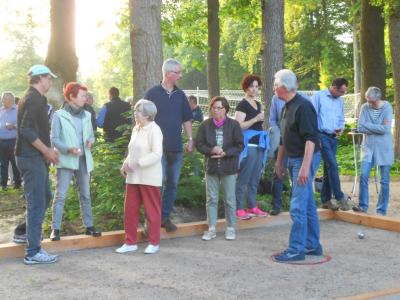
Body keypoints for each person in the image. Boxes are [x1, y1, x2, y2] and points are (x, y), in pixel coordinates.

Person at [273, 69, 322, 262]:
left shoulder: (304, 107)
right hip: (293, 158)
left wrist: (305, 167)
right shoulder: (286, 106)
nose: (274, 88)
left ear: (283, 87)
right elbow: (284, 139)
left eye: (275, 85)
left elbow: (311, 139)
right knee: (308, 204)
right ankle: (312, 245)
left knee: (297, 206)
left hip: (305, 158)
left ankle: (296, 249)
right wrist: (279, 161)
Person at [15, 64, 59, 264]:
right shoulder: (33, 98)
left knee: (45, 197)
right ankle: (33, 252)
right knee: (37, 203)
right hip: (29, 156)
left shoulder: (37, 97)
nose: (51, 81)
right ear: (40, 78)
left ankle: (23, 232)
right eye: (49, 78)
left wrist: (46, 151)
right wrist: (47, 151)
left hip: (34, 156)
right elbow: (26, 130)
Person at [144, 58, 193, 232]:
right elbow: (142, 119)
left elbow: (187, 118)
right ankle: (151, 221)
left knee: (172, 184)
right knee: (157, 184)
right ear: (168, 73)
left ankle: (164, 218)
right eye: (178, 72)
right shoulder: (152, 93)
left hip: (176, 148)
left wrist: (190, 139)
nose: (180, 75)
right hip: (157, 149)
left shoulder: (181, 96)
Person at [49, 82, 101, 241]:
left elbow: (91, 135)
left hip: (84, 159)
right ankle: (55, 229)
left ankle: (89, 226)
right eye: (82, 96)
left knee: (85, 194)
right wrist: (68, 149)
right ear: (71, 97)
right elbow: (54, 139)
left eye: (86, 96)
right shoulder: (59, 115)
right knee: (61, 195)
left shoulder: (87, 115)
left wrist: (91, 142)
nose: (85, 98)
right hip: (66, 160)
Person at [116, 99, 163, 254]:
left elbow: (157, 154)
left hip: (149, 177)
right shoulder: (136, 128)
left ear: (147, 114)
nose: (135, 114)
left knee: (152, 212)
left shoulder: (154, 130)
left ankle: (154, 242)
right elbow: (132, 151)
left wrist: (138, 164)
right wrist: (125, 164)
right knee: (129, 210)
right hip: (133, 178)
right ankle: (130, 242)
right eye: (135, 111)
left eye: (138, 111)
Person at [195, 96, 243, 241]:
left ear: (226, 109)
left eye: (219, 108)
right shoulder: (205, 125)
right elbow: (199, 144)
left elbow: (240, 145)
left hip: (229, 167)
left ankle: (230, 228)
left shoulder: (234, 125)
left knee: (229, 199)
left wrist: (225, 153)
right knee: (212, 199)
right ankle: (211, 229)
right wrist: (211, 150)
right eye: (213, 108)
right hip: (211, 167)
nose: (215, 110)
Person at [352, 87, 394, 216]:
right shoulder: (365, 107)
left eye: (371, 101)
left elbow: (385, 129)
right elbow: (360, 127)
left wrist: (368, 126)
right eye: (367, 100)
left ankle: (381, 210)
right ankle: (363, 206)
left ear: (377, 98)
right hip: (368, 147)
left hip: (384, 149)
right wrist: (377, 128)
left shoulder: (387, 107)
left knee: (384, 180)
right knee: (364, 176)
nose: (368, 103)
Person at [312, 77, 350, 211]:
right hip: (322, 135)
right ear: (334, 87)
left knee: (329, 168)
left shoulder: (339, 101)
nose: (342, 94)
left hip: (334, 137)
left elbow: (341, 117)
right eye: (341, 91)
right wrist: (315, 137)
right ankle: (340, 197)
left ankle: (326, 200)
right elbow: (312, 116)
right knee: (333, 165)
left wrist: (341, 128)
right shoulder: (319, 96)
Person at [234, 74, 269, 220]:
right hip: (249, 145)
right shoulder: (242, 105)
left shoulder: (258, 104)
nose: (254, 89)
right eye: (251, 86)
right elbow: (238, 126)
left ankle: (252, 206)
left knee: (255, 177)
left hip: (260, 144)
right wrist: (255, 118)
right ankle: (239, 208)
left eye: (256, 86)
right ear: (245, 87)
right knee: (244, 177)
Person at [268, 95, 287, 215]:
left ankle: (298, 205)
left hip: (296, 143)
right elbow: (272, 120)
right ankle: (276, 205)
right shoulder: (276, 98)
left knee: (296, 175)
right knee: (278, 172)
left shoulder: (303, 98)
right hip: (281, 140)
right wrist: (278, 133)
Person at [0, 92, 21, 190]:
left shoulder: (18, 110)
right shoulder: (1, 110)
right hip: (2, 141)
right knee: (3, 163)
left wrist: (13, 126)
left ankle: (17, 183)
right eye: (2, 99)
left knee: (14, 162)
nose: (3, 101)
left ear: (11, 100)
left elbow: (23, 125)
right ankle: (3, 184)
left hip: (14, 140)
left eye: (5, 99)